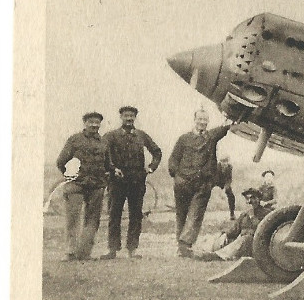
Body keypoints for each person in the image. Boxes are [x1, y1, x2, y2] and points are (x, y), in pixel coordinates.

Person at [101, 106, 162, 260]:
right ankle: (112, 249)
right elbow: (102, 154)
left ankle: (132, 249)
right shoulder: (111, 136)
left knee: (136, 215)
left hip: (137, 181)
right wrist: (112, 169)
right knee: (114, 214)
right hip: (117, 181)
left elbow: (157, 152)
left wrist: (151, 168)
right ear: (120, 117)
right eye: (126, 115)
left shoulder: (141, 136)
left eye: (132, 116)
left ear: (135, 118)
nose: (129, 118)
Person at [167, 109, 231, 257]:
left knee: (195, 215)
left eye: (205, 120)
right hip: (182, 182)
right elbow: (173, 159)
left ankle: (185, 245)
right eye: (200, 119)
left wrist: (229, 120)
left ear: (208, 122)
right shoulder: (184, 139)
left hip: (202, 184)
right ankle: (182, 246)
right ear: (194, 120)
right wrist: (176, 176)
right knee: (181, 215)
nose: (202, 122)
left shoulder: (211, 137)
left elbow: (223, 129)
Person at [56, 112, 112, 260]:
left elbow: (108, 164)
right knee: (73, 218)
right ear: (85, 123)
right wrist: (71, 176)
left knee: (93, 220)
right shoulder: (74, 140)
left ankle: (85, 253)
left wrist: (110, 172)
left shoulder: (103, 142)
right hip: (76, 185)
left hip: (96, 186)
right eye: (91, 122)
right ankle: (71, 252)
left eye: (97, 122)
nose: (94, 125)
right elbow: (61, 161)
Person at [194, 188, 273, 261]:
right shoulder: (244, 215)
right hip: (243, 244)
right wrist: (225, 235)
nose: (250, 202)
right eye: (247, 199)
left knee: (246, 239)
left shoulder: (267, 214)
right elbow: (234, 230)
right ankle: (207, 251)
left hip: (257, 245)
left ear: (259, 199)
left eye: (253, 198)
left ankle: (218, 256)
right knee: (226, 238)